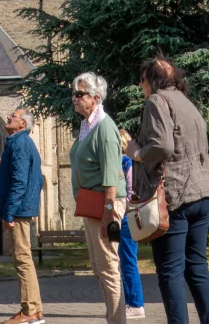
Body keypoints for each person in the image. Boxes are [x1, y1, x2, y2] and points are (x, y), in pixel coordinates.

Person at [125, 56, 209, 324]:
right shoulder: (187, 102)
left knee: (170, 271)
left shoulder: (157, 101)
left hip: (175, 197)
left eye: (142, 80)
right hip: (202, 194)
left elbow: (162, 146)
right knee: (197, 267)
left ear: (152, 79)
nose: (140, 85)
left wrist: (137, 152)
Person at [70, 72, 127, 324]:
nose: (74, 98)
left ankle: (117, 320)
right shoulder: (87, 125)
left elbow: (111, 173)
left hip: (105, 205)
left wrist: (108, 213)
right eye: (73, 93)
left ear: (95, 97)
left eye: (79, 94)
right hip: (90, 204)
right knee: (98, 266)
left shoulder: (104, 127)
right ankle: (112, 318)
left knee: (108, 267)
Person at [0, 107, 45, 324]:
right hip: (22, 209)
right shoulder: (19, 143)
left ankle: (29, 311)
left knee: (22, 260)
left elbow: (20, 182)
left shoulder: (21, 144)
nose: (8, 117)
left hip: (20, 211)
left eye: (12, 116)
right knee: (24, 260)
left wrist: (10, 213)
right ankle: (35, 310)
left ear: (23, 124)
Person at [119, 128, 145, 319]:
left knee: (128, 260)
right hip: (122, 216)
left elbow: (130, 192)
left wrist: (121, 207)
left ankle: (135, 304)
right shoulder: (124, 162)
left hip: (126, 217)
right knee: (122, 260)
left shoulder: (126, 162)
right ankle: (129, 301)